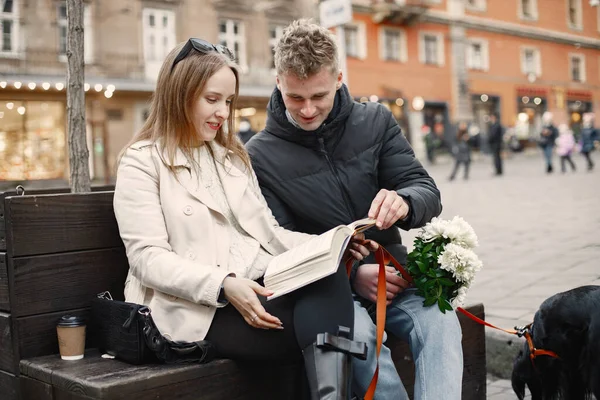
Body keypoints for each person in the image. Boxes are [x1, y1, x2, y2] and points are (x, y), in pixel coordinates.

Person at [112, 38, 374, 400]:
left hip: (258, 289)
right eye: (212, 99)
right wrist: (223, 284)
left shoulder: (232, 160)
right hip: (195, 310)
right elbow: (146, 258)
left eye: (228, 101)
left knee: (326, 275)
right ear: (180, 93)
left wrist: (334, 242)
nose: (223, 112)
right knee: (318, 322)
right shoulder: (143, 161)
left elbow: (270, 235)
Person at [246, 20, 463, 400]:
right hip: (327, 291)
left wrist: (406, 201)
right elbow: (279, 245)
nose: (308, 110)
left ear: (339, 78)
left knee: (442, 320)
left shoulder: (375, 121)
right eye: (296, 98)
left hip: (394, 274)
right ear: (278, 81)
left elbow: (426, 190)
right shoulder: (259, 155)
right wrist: (350, 274)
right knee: (357, 337)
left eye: (319, 95)